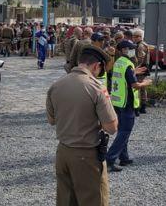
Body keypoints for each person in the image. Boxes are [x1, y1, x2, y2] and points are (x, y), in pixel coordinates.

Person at [46, 46, 118, 206]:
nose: (99, 74)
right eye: (100, 70)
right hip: (87, 155)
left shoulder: (56, 85)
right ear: (96, 66)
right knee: (93, 200)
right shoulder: (96, 88)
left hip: (63, 152)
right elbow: (112, 127)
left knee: (66, 200)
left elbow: (52, 120)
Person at [106, 40, 152, 172]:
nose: (132, 51)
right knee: (125, 132)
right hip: (127, 102)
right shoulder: (127, 64)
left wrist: (134, 72)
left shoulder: (119, 62)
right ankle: (110, 159)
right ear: (123, 50)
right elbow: (135, 85)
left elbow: (125, 77)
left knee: (122, 131)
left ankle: (124, 157)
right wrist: (146, 83)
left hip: (118, 102)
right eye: (130, 49)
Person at [132, 29, 149, 114]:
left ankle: (139, 107)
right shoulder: (143, 44)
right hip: (143, 68)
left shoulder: (140, 46)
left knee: (138, 87)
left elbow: (140, 59)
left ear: (139, 37)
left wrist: (135, 68)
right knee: (142, 88)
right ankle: (143, 105)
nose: (133, 38)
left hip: (140, 69)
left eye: (134, 36)